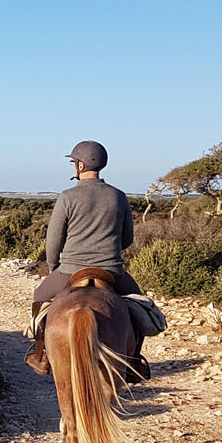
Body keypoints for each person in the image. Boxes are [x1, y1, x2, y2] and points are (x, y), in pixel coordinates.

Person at [25, 141, 148, 377]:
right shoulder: (119, 196)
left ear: (80, 165)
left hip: (70, 270)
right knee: (139, 304)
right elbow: (128, 239)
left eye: (74, 162)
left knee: (39, 297)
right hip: (111, 271)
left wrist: (53, 267)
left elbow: (53, 241)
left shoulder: (67, 197)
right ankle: (135, 360)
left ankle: (41, 354)